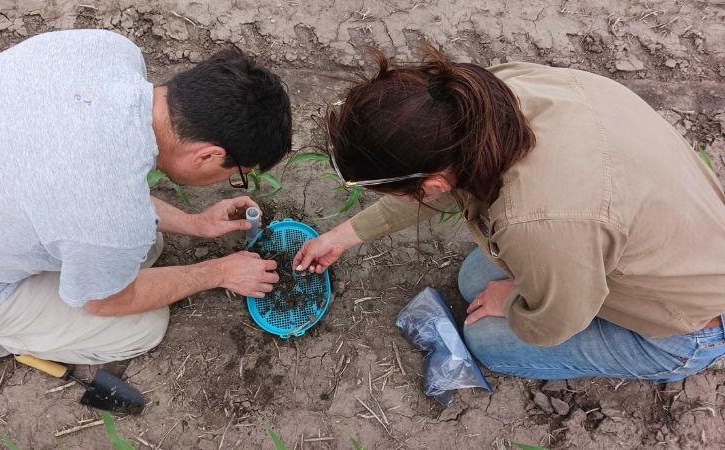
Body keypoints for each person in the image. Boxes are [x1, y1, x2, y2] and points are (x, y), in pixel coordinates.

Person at [293, 43, 725, 382]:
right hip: (676, 234)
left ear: (432, 184)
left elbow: (556, 324)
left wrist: (516, 304)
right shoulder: (483, 97)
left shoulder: (536, 224)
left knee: (487, 340)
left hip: (686, 322)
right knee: (473, 281)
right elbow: (450, 175)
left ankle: (685, 354)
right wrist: (343, 236)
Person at [0, 29, 292, 365]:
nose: (232, 179)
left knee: (141, 247)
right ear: (208, 155)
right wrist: (218, 271)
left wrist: (196, 224)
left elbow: (98, 192)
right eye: (237, 173)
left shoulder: (108, 50)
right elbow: (107, 300)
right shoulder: (109, 220)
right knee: (141, 326)